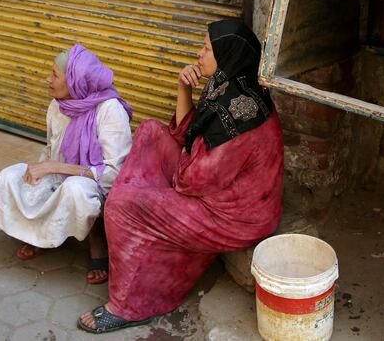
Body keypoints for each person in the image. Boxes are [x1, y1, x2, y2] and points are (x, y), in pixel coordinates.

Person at [77, 20, 284, 334]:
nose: (199, 55)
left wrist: (171, 174)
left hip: (236, 218)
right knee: (150, 131)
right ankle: (143, 223)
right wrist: (183, 88)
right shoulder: (229, 86)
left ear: (226, 56)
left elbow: (189, 180)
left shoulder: (240, 121)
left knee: (121, 206)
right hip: (213, 190)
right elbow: (183, 135)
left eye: (206, 49)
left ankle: (128, 307)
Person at [0, 44, 132, 284]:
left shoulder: (110, 110)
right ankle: (41, 234)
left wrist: (53, 168)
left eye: (55, 75)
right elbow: (52, 149)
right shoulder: (58, 104)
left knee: (75, 190)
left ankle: (97, 242)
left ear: (75, 80)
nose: (47, 80)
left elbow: (114, 173)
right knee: (11, 176)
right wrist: (41, 169)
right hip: (60, 173)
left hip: (96, 184)